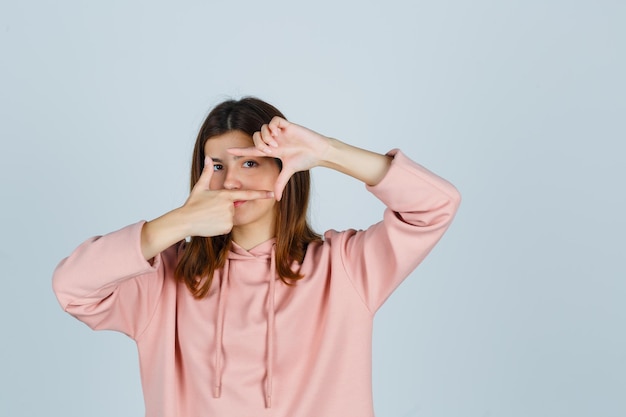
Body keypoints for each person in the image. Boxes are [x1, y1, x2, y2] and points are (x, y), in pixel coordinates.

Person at [52, 97, 461, 417]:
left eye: (250, 162)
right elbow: (72, 288)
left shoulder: (345, 268)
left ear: (285, 168)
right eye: (216, 165)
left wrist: (327, 151)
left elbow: (436, 206)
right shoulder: (163, 279)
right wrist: (178, 222)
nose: (231, 180)